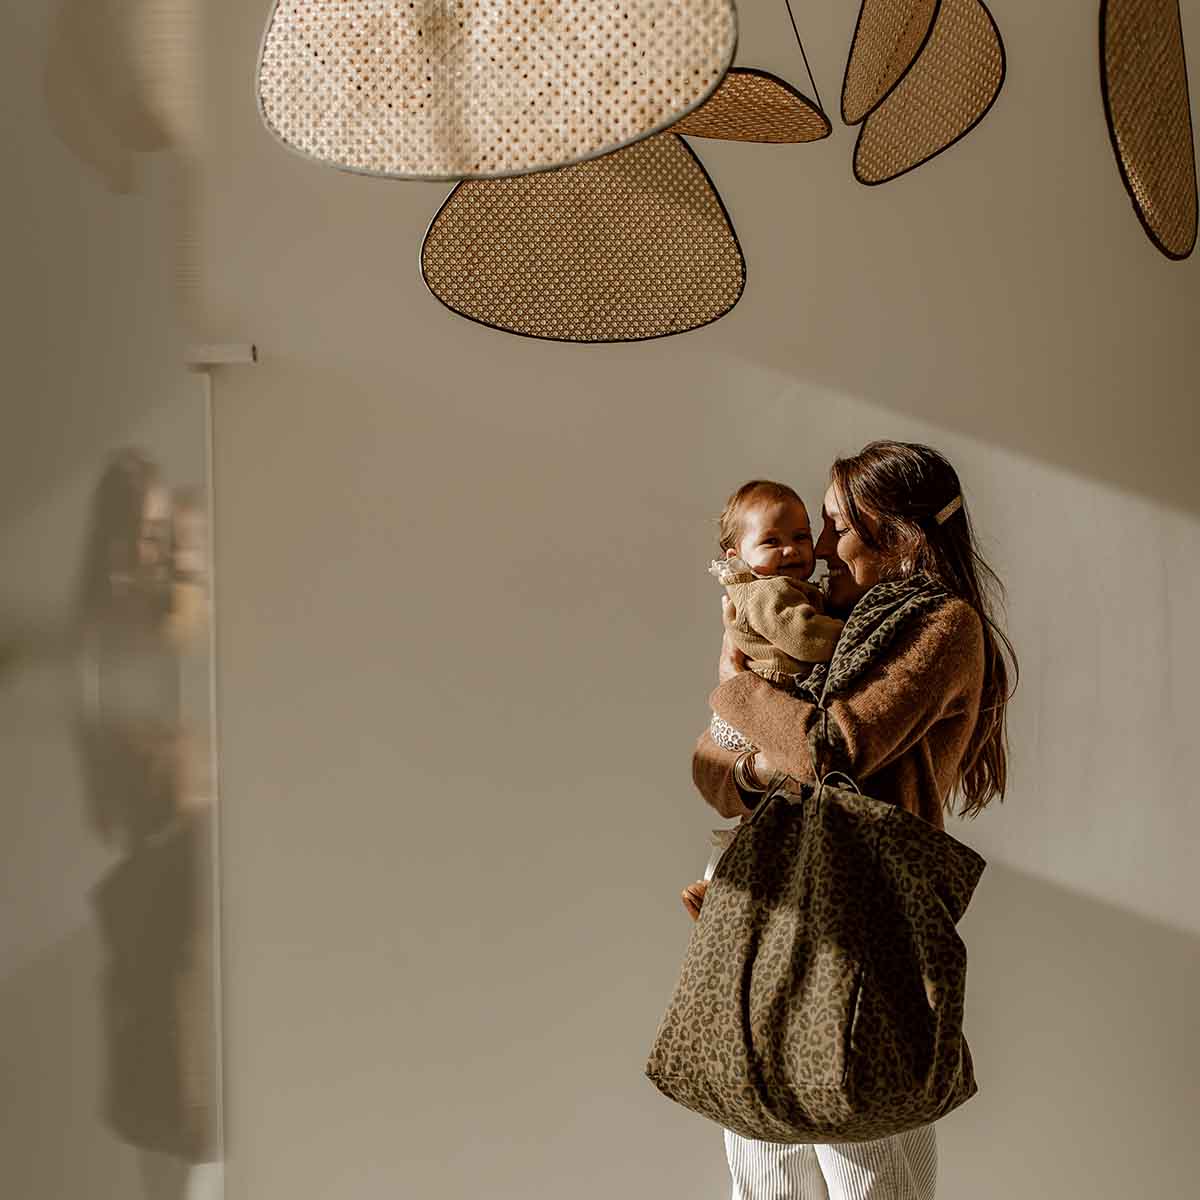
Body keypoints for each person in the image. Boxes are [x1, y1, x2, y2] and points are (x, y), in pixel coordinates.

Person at [683, 440, 1017, 1200]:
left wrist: (734, 685)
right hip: (768, 908)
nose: (820, 546)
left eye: (835, 525)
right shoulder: (813, 623)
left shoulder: (941, 627)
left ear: (896, 533)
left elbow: (837, 745)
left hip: (863, 921)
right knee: (766, 1177)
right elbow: (711, 770)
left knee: (873, 1174)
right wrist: (754, 768)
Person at [706, 480, 844, 757]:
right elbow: (805, 637)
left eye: (801, 537)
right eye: (771, 541)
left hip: (753, 703)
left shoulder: (785, 589)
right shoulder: (766, 591)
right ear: (737, 556)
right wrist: (848, 631)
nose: (790, 550)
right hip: (763, 701)